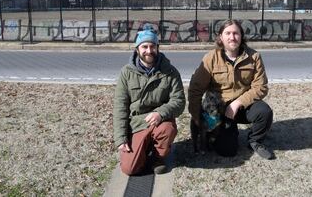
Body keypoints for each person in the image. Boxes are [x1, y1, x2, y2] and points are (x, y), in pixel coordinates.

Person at [188, 19, 274, 159]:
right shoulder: (211, 58)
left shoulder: (254, 57)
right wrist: (196, 116)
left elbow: (261, 87)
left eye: (236, 33)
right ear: (221, 37)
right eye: (227, 33)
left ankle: (255, 141)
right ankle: (223, 132)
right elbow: (195, 89)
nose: (232, 37)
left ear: (241, 36)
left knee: (264, 112)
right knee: (227, 151)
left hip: (243, 106)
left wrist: (237, 103)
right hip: (219, 110)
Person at [113, 25, 185, 175]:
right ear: (137, 49)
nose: (149, 50)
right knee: (130, 169)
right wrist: (121, 138)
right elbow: (120, 107)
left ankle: (158, 158)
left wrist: (160, 113)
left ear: (157, 48)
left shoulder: (170, 72)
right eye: (144, 46)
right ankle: (144, 147)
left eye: (152, 46)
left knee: (167, 129)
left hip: (160, 121)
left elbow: (179, 102)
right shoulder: (126, 73)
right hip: (137, 124)